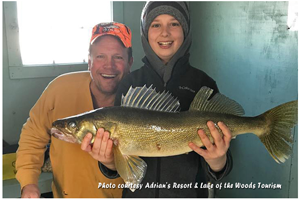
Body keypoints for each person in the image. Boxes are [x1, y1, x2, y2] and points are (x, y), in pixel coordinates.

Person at [83, 2, 233, 198]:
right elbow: (121, 166)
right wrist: (109, 161)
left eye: (174, 24)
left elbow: (219, 167)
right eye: (155, 25)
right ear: (145, 32)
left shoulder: (203, 83)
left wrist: (218, 159)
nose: (165, 33)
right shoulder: (130, 83)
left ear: (185, 30)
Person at [16, 22, 133, 198]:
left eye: (118, 57)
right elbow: (33, 136)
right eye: (100, 56)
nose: (109, 66)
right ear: (89, 61)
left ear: (130, 62)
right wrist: (28, 182)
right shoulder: (60, 89)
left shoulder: (139, 100)